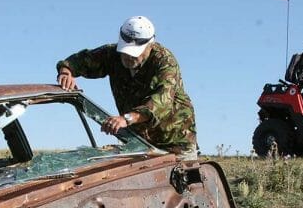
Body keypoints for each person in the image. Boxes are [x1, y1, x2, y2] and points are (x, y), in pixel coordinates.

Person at [56, 16, 198, 160]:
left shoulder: (165, 62)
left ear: (150, 45)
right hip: (138, 143)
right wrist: (66, 71)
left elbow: (162, 101)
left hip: (174, 143)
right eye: (125, 51)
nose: (128, 57)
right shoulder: (112, 55)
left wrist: (127, 118)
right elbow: (80, 61)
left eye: (134, 53)